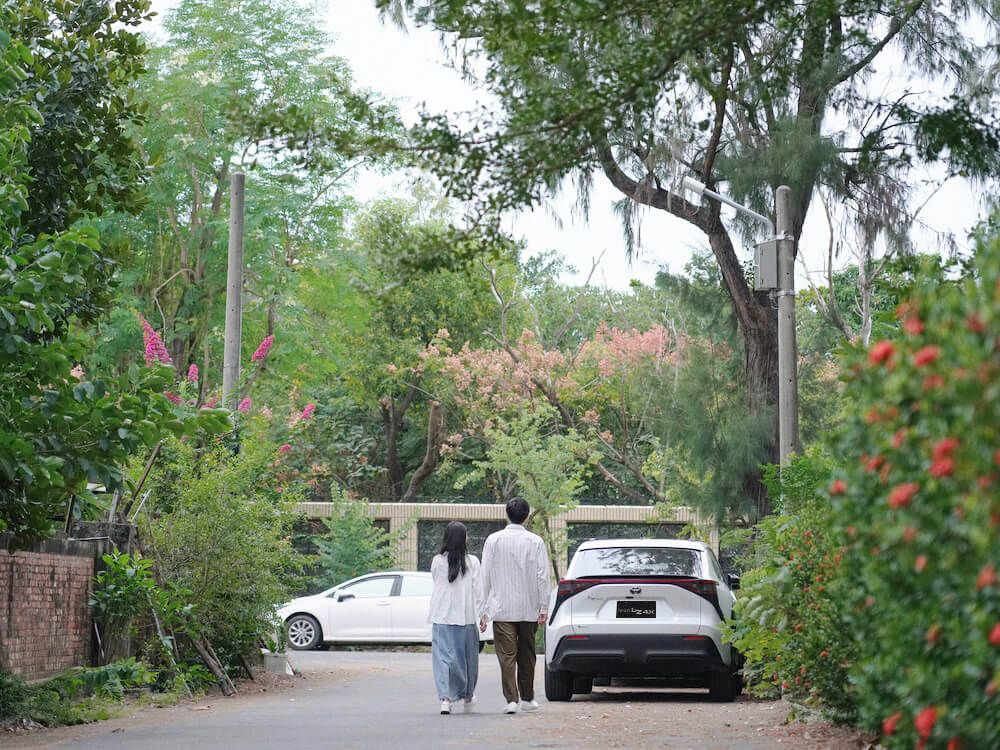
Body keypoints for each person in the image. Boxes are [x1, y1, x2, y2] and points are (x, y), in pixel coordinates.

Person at [479, 497, 551, 714]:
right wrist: (543, 607)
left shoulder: (493, 540)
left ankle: (512, 699)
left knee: (506, 655)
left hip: (502, 608)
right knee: (527, 654)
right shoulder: (536, 542)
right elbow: (543, 576)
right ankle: (528, 698)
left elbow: (485, 575)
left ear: (506, 514)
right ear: (527, 516)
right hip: (529, 607)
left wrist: (482, 610)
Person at [429, 521, 483, 715]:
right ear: (464, 539)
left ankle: (446, 699)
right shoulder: (473, 562)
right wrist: (483, 614)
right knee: (468, 659)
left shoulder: (437, 561)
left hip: (442, 616)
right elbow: (478, 590)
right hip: (466, 617)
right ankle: (468, 696)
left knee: (443, 659)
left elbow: (436, 581)